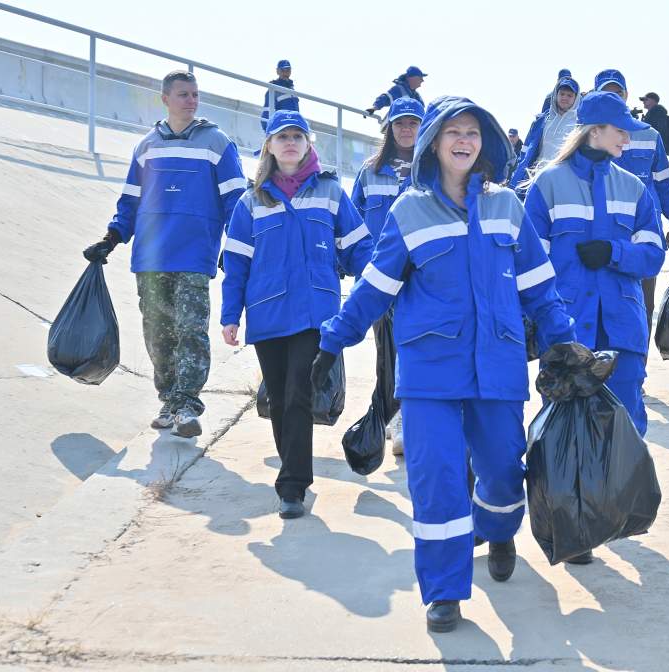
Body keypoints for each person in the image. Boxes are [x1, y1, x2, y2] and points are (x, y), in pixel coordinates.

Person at [312, 95, 575, 633]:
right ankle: (444, 590)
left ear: (485, 143)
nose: (463, 140)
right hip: (430, 368)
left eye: (473, 132)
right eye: (453, 131)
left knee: (504, 470)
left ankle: (497, 531)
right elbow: (375, 287)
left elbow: (538, 287)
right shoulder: (409, 211)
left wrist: (564, 343)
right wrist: (333, 341)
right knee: (437, 477)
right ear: (434, 144)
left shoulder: (508, 206)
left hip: (497, 363)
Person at [220, 111, 373, 518]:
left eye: (297, 136)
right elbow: (236, 264)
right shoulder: (251, 201)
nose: (290, 142)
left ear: (308, 145)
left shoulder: (330, 192)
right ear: (269, 146)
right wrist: (230, 314)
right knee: (278, 398)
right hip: (267, 313)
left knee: (298, 394)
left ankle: (292, 486)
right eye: (282, 136)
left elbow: (359, 248)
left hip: (315, 314)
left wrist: (380, 288)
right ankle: (293, 469)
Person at [83, 70, 247, 438]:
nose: (192, 101)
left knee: (191, 330)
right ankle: (169, 401)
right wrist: (111, 238)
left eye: (195, 94)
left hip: (194, 255)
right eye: (184, 94)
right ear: (165, 99)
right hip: (150, 257)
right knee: (158, 334)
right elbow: (130, 201)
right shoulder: (147, 146)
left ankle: (187, 405)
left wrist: (233, 246)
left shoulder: (217, 142)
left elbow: (236, 201)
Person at [523, 91, 664, 484]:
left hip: (622, 327)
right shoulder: (548, 184)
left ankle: (618, 506)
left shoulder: (633, 188)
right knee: (563, 429)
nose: (627, 139)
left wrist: (615, 252)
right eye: (620, 131)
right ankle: (570, 508)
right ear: (594, 131)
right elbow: (529, 263)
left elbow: (653, 254)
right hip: (565, 327)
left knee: (626, 425)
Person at [592, 69, 669, 332]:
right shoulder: (588, 136)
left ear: (626, 95)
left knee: (644, 306)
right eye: (606, 94)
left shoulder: (651, 135)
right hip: (605, 230)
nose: (613, 98)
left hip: (644, 230)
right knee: (604, 305)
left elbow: (664, 186)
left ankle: (639, 355)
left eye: (617, 93)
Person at [350, 96, 425, 456]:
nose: (406, 129)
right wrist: (360, 266)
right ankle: (395, 418)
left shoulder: (432, 170)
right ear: (389, 128)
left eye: (413, 123)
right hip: (380, 277)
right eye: (399, 123)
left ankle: (409, 417)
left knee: (415, 347)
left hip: (421, 278)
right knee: (387, 351)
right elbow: (353, 222)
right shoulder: (370, 170)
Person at [509, 76, 581, 190]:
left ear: (576, 98)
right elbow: (526, 152)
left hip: (565, 181)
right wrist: (516, 177)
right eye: (562, 94)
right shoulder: (542, 121)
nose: (565, 98)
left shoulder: (580, 123)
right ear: (556, 95)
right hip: (538, 177)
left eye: (569, 95)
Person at [260, 60, 299, 132]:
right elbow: (267, 112)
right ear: (277, 71)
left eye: (288, 70)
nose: (285, 72)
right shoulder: (273, 89)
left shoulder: (292, 89)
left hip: (293, 127)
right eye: (283, 70)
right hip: (282, 128)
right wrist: (268, 131)